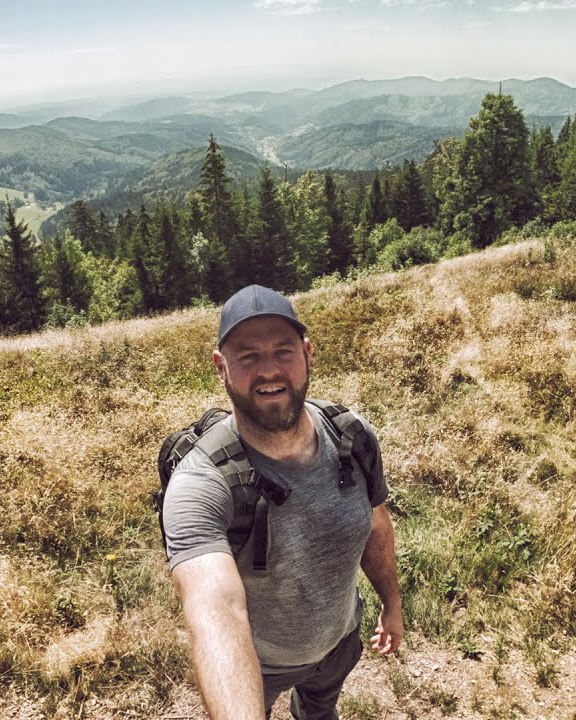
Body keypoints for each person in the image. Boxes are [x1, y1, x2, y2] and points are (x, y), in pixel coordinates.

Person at [163, 284, 404, 720]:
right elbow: (216, 608)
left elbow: (376, 525)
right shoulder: (200, 482)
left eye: (283, 351)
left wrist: (391, 603)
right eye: (248, 356)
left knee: (319, 708)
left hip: (339, 641)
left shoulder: (353, 437)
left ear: (308, 352)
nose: (269, 370)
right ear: (221, 367)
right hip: (259, 667)